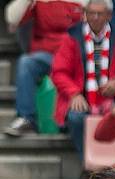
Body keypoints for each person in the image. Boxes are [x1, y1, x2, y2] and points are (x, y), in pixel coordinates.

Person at [51, 0, 115, 159]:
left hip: (113, 99)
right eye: (91, 13)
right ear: (85, 14)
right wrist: (74, 93)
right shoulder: (72, 38)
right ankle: (88, 162)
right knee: (75, 117)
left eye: (99, 14)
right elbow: (59, 72)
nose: (95, 17)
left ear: (109, 15)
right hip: (82, 97)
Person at [4, 0, 85, 136]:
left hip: (74, 58)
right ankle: (26, 118)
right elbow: (13, 19)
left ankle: (69, 119)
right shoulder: (39, 2)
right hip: (47, 55)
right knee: (26, 62)